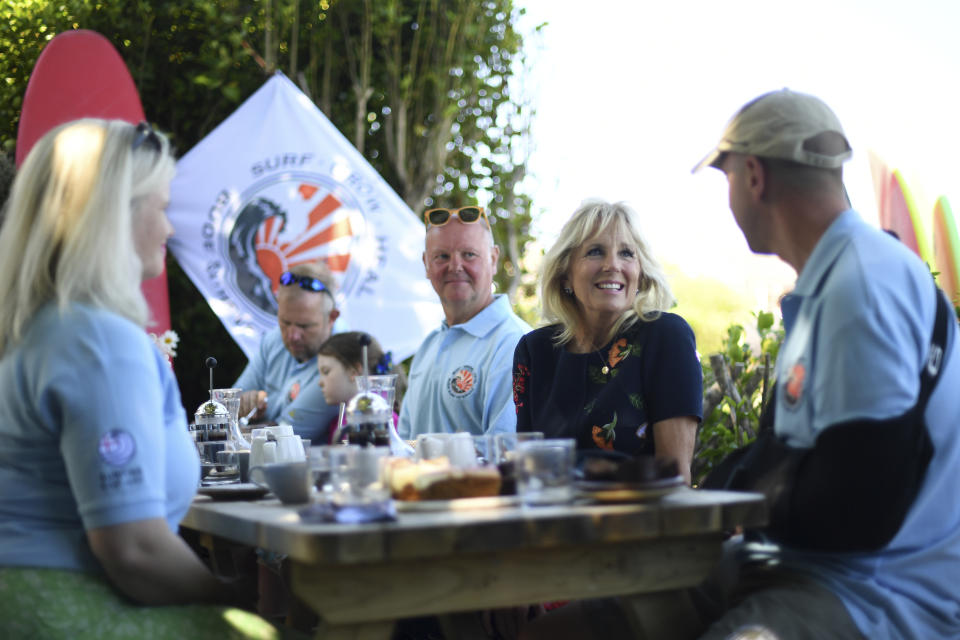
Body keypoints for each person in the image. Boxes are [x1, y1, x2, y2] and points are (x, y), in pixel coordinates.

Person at [527, 89, 960, 640]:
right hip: (783, 566)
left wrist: (735, 507)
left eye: (726, 178)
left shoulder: (863, 286)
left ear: (753, 176)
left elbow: (861, 500)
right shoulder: (831, 282)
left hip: (872, 595)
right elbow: (790, 452)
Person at [0, 119, 277, 637]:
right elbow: (134, 549)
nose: (170, 229)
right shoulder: (99, 342)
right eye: (162, 207)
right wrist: (234, 599)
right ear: (116, 215)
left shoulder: (35, 328)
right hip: (65, 610)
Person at [512, 200, 702, 483]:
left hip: (640, 523)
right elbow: (527, 472)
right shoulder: (535, 351)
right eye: (595, 252)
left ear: (641, 273)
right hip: (551, 522)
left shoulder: (665, 337)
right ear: (566, 273)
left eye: (626, 253)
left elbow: (675, 480)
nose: (612, 265)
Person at [397, 206, 531, 440]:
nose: (455, 266)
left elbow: (504, 451)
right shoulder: (428, 346)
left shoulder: (514, 344)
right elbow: (405, 444)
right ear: (426, 264)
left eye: (469, 254)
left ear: (493, 258)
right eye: (442, 256)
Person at [234, 261, 340, 440]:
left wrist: (242, 420)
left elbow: (283, 436)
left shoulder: (341, 359)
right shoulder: (273, 340)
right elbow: (229, 405)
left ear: (332, 318)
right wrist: (243, 406)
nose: (292, 336)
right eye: (285, 322)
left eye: (304, 326)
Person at [315, 331, 407, 443]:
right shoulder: (339, 420)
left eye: (326, 371)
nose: (320, 382)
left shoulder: (380, 420)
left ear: (354, 372)